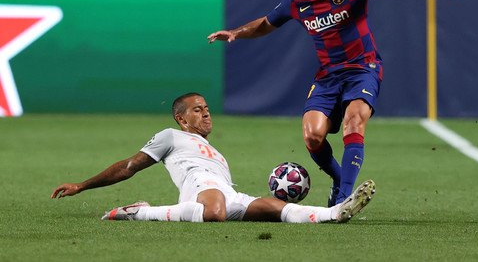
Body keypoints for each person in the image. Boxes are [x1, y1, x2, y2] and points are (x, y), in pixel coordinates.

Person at [207, 0, 406, 206]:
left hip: (362, 67)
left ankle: (344, 198)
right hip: (328, 75)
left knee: (354, 122)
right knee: (312, 136)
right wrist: (235, 33)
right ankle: (339, 179)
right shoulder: (295, 0)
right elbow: (266, 24)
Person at [51, 92, 375, 223]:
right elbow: (128, 166)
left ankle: (334, 212)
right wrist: (82, 185)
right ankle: (139, 212)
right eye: (197, 110)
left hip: (226, 190)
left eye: (207, 109)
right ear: (181, 118)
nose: (206, 114)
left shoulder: (217, 152)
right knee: (215, 212)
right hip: (200, 187)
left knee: (273, 208)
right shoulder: (171, 136)